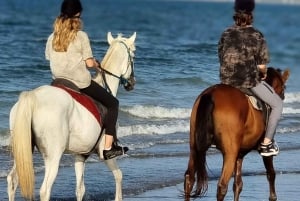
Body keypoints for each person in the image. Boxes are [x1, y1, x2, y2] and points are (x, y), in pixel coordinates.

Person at [45, 0, 128, 160]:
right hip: (79, 82)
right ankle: (109, 148)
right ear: (78, 15)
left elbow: (50, 57)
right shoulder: (81, 36)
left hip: (58, 81)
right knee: (113, 104)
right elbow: (89, 63)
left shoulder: (51, 37)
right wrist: (96, 64)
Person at [218, 0, 283, 156]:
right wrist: (263, 74)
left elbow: (221, 57)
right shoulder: (257, 35)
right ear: (251, 15)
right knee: (277, 104)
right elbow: (262, 66)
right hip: (247, 82)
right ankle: (267, 143)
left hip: (226, 81)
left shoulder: (226, 33)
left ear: (235, 14)